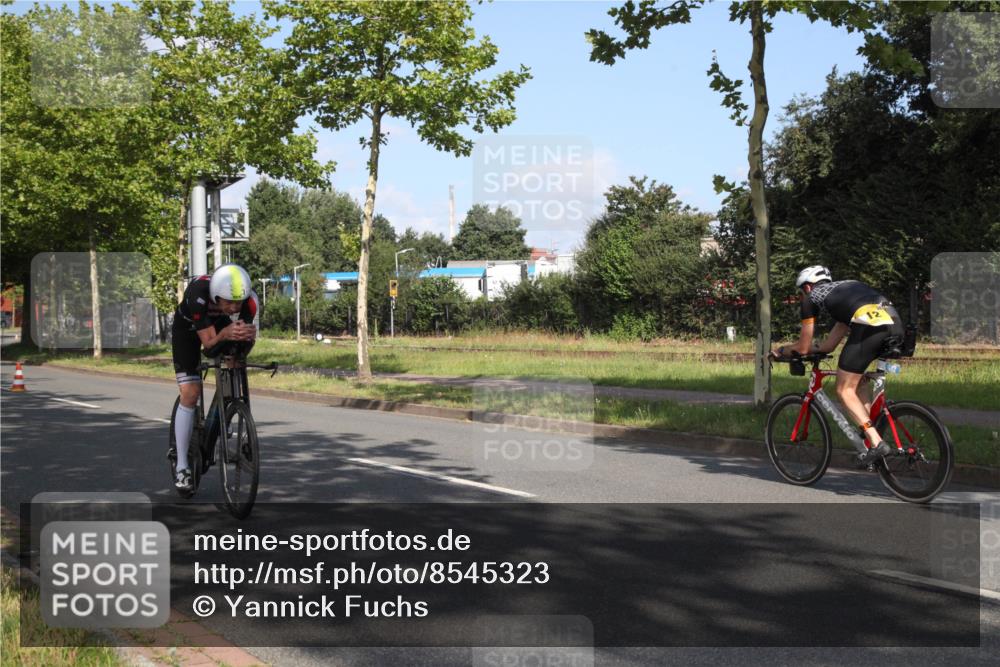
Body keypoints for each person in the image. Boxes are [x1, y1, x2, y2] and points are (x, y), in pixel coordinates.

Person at [770, 266, 904, 465]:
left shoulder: (811, 297)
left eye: (801, 291)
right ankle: (870, 433)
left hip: (869, 328)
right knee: (858, 382)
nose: (802, 296)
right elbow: (828, 345)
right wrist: (818, 350)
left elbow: (804, 347)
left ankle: (876, 443)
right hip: (895, 325)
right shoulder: (847, 289)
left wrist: (782, 351)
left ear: (807, 287)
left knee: (843, 389)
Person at [171, 264, 258, 491]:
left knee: (235, 365)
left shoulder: (250, 301)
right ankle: (182, 466)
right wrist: (225, 334)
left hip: (217, 325)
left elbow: (244, 339)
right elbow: (209, 346)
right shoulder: (198, 294)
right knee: (190, 393)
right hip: (188, 330)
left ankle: (223, 417)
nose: (234, 307)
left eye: (238, 302)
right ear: (215, 295)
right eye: (228, 302)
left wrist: (243, 344)